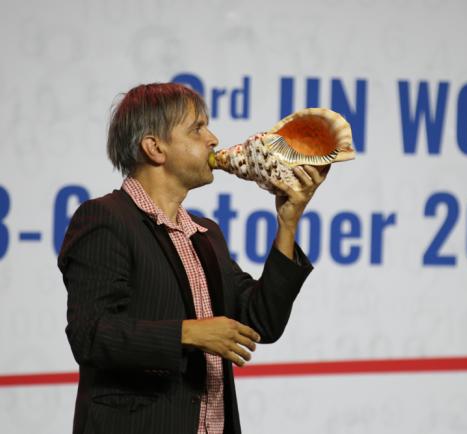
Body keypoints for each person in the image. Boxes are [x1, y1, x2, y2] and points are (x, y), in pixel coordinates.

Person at [57, 82, 328, 434]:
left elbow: (262, 322)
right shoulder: (106, 218)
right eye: (197, 128)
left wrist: (288, 223)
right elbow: (91, 335)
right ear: (155, 148)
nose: (213, 138)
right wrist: (189, 334)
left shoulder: (205, 233)